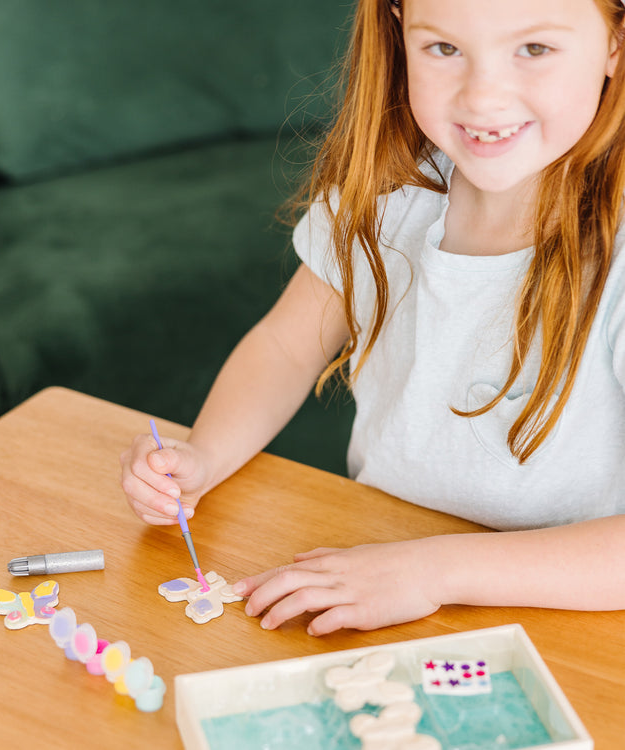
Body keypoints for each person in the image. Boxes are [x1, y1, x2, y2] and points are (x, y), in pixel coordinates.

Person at [121, 0, 625, 635]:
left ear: (615, 40)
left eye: (534, 49)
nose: (484, 97)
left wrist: (433, 571)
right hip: (382, 571)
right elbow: (285, 346)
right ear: (397, 30)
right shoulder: (390, 197)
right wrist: (204, 456)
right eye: (444, 49)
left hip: (565, 614)